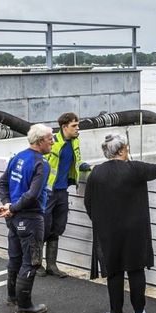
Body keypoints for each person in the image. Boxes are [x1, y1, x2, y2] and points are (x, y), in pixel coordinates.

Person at [83, 133, 156, 313]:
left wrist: (101, 222)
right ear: (122, 150)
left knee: (114, 271)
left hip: (108, 231)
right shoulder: (135, 169)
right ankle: (139, 311)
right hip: (135, 230)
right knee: (136, 269)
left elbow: (88, 202)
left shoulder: (96, 172)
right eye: (127, 148)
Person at [0, 124, 54, 313]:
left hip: (13, 219)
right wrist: (11, 207)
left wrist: (7, 205)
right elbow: (33, 194)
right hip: (30, 218)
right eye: (50, 139)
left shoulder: (17, 157)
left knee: (15, 258)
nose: (52, 142)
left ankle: (12, 296)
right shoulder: (41, 164)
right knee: (31, 261)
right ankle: (24, 305)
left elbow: (2, 183)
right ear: (40, 142)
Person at [40, 112, 88, 278]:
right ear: (64, 127)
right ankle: (36, 264)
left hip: (62, 191)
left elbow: (79, 161)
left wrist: (86, 167)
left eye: (77, 125)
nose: (77, 128)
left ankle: (51, 265)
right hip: (48, 192)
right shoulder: (52, 141)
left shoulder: (75, 141)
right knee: (43, 227)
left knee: (58, 227)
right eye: (74, 125)